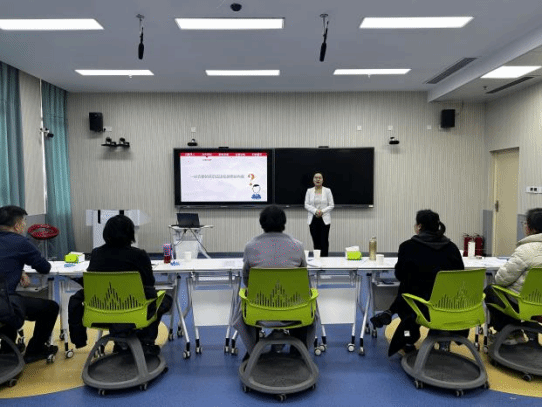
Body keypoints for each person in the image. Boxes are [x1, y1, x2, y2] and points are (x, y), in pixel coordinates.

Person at [68, 215, 172, 355]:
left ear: (106, 233)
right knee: (164, 300)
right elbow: (149, 284)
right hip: (134, 313)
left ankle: (120, 340)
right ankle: (145, 341)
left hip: (101, 313)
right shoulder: (139, 255)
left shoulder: (96, 254)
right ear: (130, 234)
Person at [370, 209, 464, 356]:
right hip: (448, 305)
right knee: (414, 291)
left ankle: (408, 339)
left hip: (419, 307)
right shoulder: (452, 248)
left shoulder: (407, 247)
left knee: (407, 293)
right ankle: (442, 336)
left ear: (419, 226)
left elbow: (400, 275)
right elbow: (460, 275)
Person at [233, 205, 313, 360]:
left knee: (246, 298)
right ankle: (298, 351)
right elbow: (304, 278)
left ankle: (252, 349)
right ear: (284, 223)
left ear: (262, 223)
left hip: (259, 309)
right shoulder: (297, 246)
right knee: (307, 298)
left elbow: (246, 279)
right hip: (294, 309)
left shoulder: (250, 246)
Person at [0, 205, 59, 363]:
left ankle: (7, 348)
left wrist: (18, 270)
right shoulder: (20, 242)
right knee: (50, 308)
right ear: (17, 225)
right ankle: (35, 350)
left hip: (4, 301)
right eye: (24, 222)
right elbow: (44, 267)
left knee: (11, 300)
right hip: (4, 304)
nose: (25, 225)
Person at [484, 208, 542, 345]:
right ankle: (522, 332)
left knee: (491, 291)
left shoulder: (525, 250)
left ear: (531, 228)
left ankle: (509, 333)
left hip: (523, 303)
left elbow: (501, 279)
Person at [304, 172, 334, 257]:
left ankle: (325, 260)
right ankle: (317, 260)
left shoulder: (327, 191)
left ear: (322, 180)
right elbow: (306, 204)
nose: (317, 179)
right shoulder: (309, 191)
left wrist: (322, 212)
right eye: (316, 178)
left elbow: (331, 205)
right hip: (313, 219)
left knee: (324, 241)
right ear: (313, 180)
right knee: (315, 241)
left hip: (324, 219)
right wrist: (316, 211)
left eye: (319, 178)